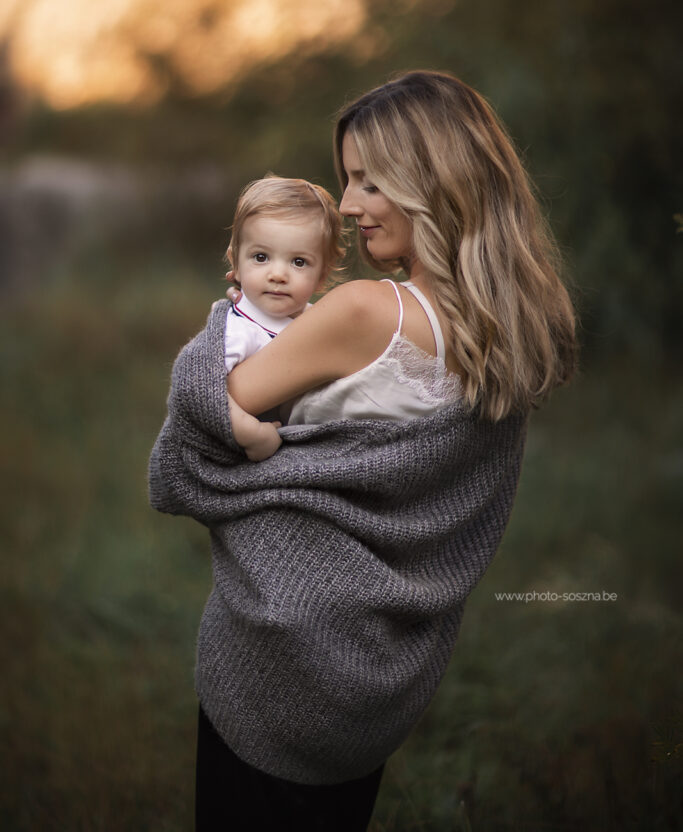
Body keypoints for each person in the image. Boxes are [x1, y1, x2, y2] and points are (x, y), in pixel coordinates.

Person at [149, 70, 576, 831]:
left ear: (430, 182)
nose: (345, 206)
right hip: (376, 674)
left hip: (281, 657)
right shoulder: (513, 329)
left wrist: (234, 313)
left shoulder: (359, 311)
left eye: (366, 181)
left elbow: (204, 413)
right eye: (347, 181)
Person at [220, 175, 344, 460]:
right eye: (261, 257)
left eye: (298, 262)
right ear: (235, 263)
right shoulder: (240, 330)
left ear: (322, 275)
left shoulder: (316, 320)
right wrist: (248, 432)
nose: (277, 275)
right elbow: (204, 391)